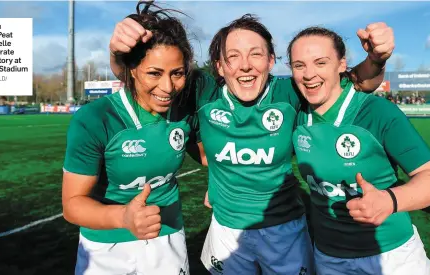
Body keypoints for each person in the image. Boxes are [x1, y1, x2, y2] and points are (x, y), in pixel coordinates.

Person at [109, 12, 393, 275]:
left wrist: (377, 59)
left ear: (271, 60)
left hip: (286, 231)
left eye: (256, 54)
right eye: (233, 56)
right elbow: (136, 71)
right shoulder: (205, 92)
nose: (245, 65)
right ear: (219, 66)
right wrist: (118, 50)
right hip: (226, 232)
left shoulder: (290, 91)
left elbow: (358, 81)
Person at [288, 26, 430, 274]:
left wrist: (389, 200)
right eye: (299, 65)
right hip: (328, 257)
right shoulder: (296, 114)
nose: (309, 74)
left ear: (342, 64)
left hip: (392, 256)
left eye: (320, 62)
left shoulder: (377, 112)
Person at [62, 2, 200, 274]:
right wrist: (123, 217)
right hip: (104, 249)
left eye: (177, 73)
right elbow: (72, 205)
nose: (168, 87)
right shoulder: (95, 118)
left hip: (167, 239)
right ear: (132, 70)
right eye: (154, 73)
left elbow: (210, 154)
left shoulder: (185, 108)